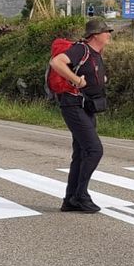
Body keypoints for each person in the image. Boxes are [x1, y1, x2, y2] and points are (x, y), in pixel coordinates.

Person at [49, 17, 113, 213]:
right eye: (106, 31)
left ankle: (70, 199)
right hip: (73, 105)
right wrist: (76, 80)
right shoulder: (82, 49)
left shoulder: (96, 53)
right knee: (94, 150)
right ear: (95, 35)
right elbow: (56, 62)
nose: (109, 34)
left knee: (82, 152)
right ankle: (80, 195)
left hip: (87, 107)